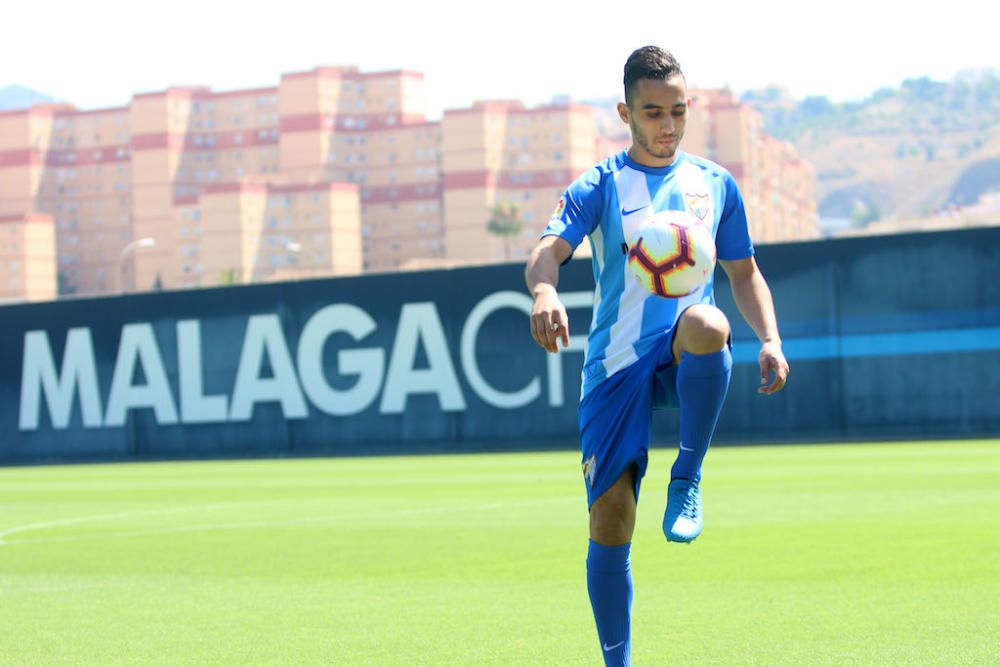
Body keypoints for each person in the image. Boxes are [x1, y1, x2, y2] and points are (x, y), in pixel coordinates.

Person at [524, 46, 789, 666]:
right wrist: (542, 290)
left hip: (679, 350)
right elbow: (546, 252)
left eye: (677, 111)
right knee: (611, 519)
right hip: (615, 365)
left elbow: (744, 272)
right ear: (625, 112)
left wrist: (771, 338)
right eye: (652, 113)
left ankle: (687, 475)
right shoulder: (599, 185)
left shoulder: (714, 184)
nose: (667, 126)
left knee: (708, 321)